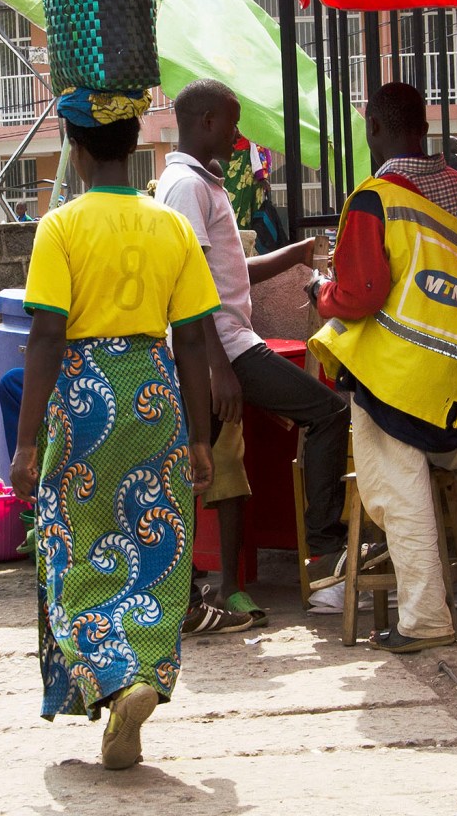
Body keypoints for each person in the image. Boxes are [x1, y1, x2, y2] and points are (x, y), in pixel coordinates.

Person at [10, 105, 220, 771]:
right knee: (152, 545)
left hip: (84, 398)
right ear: (135, 143)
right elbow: (191, 340)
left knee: (75, 548)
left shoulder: (61, 226)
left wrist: (21, 443)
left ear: (73, 145)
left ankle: (108, 670)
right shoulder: (172, 226)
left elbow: (45, 334)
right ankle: (141, 677)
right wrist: (201, 438)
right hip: (154, 393)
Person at [155, 79, 386, 627]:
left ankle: (219, 590)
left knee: (216, 467)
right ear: (208, 121)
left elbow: (231, 275)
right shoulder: (185, 186)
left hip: (227, 347)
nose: (239, 134)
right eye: (233, 122)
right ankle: (326, 555)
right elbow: (190, 289)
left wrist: (298, 254)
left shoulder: (201, 183)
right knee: (326, 413)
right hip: (222, 351)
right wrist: (219, 370)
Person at [307, 82, 457, 653]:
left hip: (394, 372)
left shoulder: (378, 196)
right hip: (454, 374)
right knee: (428, 440)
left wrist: (320, 294)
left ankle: (424, 618)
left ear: (374, 129)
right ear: (423, 128)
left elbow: (361, 292)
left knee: (393, 489)